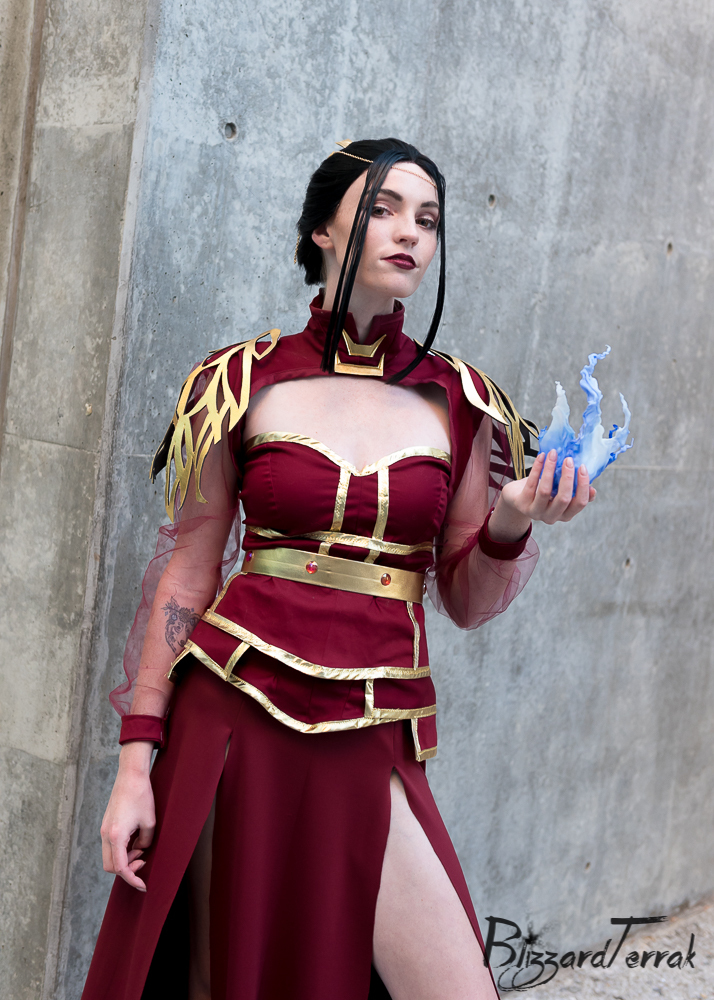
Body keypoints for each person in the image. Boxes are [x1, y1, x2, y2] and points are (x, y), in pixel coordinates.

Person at [82, 138, 595, 1000]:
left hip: (375, 728)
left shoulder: (461, 400)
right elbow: (186, 579)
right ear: (322, 228)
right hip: (231, 718)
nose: (410, 233)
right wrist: (136, 766)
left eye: (428, 219)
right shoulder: (238, 380)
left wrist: (511, 520)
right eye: (384, 209)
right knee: (223, 980)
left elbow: (464, 598)